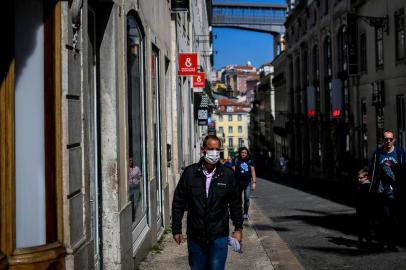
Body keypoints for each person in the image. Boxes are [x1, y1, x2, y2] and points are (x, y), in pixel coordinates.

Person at [172, 135, 243, 270]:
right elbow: (178, 202)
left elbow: (236, 204)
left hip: (219, 235)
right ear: (203, 150)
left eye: (217, 149)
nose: (215, 153)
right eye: (211, 149)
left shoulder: (227, 174)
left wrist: (238, 228)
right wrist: (176, 229)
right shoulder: (190, 173)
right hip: (195, 236)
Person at [369, 130, 406, 251]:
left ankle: (392, 243)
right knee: (384, 217)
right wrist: (371, 190)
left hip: (396, 191)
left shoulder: (400, 152)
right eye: (386, 139)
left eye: (390, 139)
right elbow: (373, 173)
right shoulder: (377, 154)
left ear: (394, 140)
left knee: (395, 218)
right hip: (382, 191)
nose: (388, 141)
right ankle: (382, 242)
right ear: (382, 140)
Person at [233, 147, 256, 220]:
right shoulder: (236, 159)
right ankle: (239, 212)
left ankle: (245, 213)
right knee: (238, 199)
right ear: (240, 153)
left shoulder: (249, 160)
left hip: (247, 182)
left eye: (245, 153)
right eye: (242, 152)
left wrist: (254, 182)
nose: (243, 154)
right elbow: (233, 170)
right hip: (238, 182)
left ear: (247, 153)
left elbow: (253, 171)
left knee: (247, 198)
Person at [355, 168, 372, 248]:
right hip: (360, 209)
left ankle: (366, 242)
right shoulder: (361, 185)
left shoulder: (368, 186)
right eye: (358, 178)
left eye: (360, 178)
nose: (359, 179)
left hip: (366, 210)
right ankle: (361, 241)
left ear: (366, 177)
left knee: (366, 227)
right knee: (361, 227)